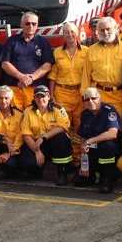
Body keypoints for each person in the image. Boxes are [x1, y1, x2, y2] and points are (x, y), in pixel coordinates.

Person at [48, 22, 89, 168]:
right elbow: (53, 75)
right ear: (63, 35)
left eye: (72, 32)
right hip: (61, 93)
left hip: (80, 94)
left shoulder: (86, 51)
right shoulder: (57, 52)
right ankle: (66, 159)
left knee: (79, 127)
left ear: (77, 33)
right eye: (66, 32)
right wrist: (51, 95)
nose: (70, 35)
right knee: (63, 126)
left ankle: (78, 160)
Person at [19, 84, 73, 185]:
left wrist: (44, 137)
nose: (40, 99)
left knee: (61, 138)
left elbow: (63, 127)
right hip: (37, 144)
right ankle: (39, 170)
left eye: (43, 96)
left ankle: (62, 173)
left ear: (48, 97)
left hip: (54, 143)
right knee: (27, 163)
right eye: (37, 96)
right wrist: (37, 151)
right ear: (34, 98)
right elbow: (26, 134)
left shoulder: (58, 109)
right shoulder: (28, 111)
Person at [82, 17, 122, 119]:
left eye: (108, 29)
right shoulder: (91, 50)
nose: (105, 32)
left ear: (115, 28)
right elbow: (86, 75)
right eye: (102, 30)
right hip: (97, 96)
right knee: (99, 128)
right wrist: (85, 97)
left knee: (116, 128)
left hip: (119, 96)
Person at [0, 11, 54, 109]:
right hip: (15, 88)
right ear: (21, 24)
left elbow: (47, 65)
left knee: (34, 119)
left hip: (36, 90)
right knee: (15, 119)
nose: (31, 26)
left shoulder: (43, 42)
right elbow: (5, 63)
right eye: (27, 23)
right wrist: (21, 77)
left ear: (37, 25)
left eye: (34, 24)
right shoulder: (12, 41)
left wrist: (31, 78)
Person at [74, 87, 121, 193]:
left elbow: (113, 133)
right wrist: (83, 149)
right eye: (87, 99)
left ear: (100, 98)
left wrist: (91, 141)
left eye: (93, 98)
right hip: (92, 148)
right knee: (78, 181)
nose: (90, 101)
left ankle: (107, 178)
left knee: (108, 146)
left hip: (107, 148)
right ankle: (90, 175)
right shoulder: (85, 114)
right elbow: (82, 136)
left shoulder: (109, 111)